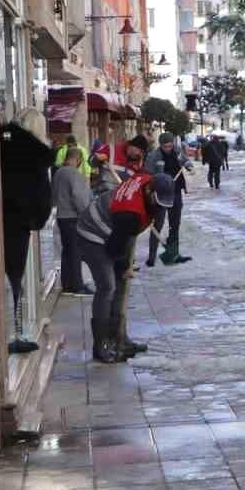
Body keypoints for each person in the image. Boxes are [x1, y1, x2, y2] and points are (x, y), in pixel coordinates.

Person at [79, 170, 175, 362]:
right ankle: (101, 346)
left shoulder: (146, 179)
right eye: (158, 201)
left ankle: (119, 339)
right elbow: (115, 248)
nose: (159, 207)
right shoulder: (130, 213)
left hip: (115, 228)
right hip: (92, 233)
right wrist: (124, 267)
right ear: (149, 191)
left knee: (120, 285)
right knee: (107, 287)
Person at [0, 109, 56, 355]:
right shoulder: (35, 154)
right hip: (18, 223)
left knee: (4, 277)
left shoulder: (2, 141)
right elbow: (42, 195)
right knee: (14, 277)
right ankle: (13, 334)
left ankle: (10, 331)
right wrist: (35, 219)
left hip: (0, 218)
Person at [144, 133, 192, 266]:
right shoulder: (153, 156)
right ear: (160, 145)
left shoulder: (177, 151)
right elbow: (147, 174)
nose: (168, 148)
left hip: (175, 191)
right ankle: (151, 258)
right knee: (157, 225)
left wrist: (189, 166)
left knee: (174, 224)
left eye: (170, 145)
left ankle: (173, 255)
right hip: (161, 194)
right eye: (165, 146)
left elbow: (185, 160)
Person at [51, 145, 93, 295]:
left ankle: (67, 284)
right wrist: (86, 213)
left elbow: (55, 195)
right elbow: (79, 197)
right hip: (73, 217)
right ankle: (77, 285)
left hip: (61, 216)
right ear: (77, 159)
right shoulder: (74, 174)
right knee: (75, 252)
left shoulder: (58, 173)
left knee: (67, 251)